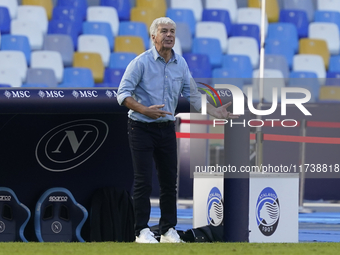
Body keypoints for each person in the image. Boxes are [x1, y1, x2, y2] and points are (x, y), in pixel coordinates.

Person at [117, 17, 239, 243]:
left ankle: (167, 230)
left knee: (168, 182)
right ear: (153, 36)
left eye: (172, 31)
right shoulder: (140, 62)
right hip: (140, 127)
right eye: (164, 31)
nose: (169, 35)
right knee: (143, 181)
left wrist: (215, 112)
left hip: (166, 128)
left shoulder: (180, 63)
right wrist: (145, 110)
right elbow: (122, 94)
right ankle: (140, 231)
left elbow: (193, 95)